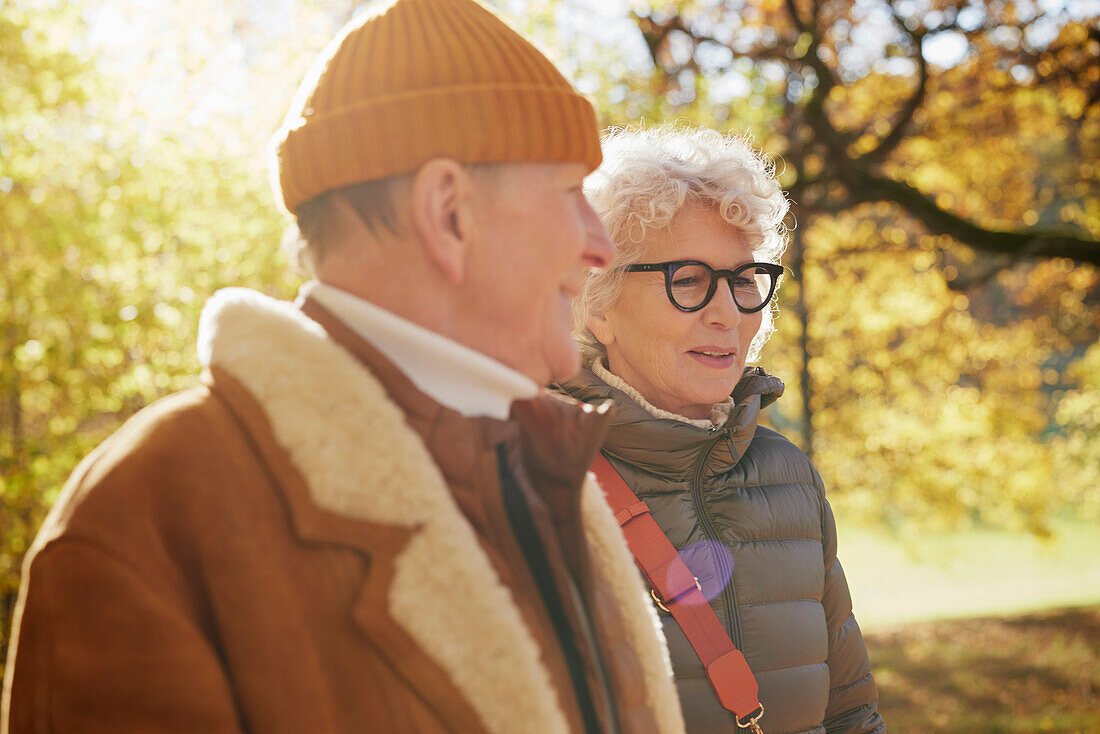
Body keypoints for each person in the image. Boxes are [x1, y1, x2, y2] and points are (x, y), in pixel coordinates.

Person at [1, 3, 687, 732]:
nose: (599, 246)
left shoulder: (542, 465)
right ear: (448, 212)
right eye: (568, 192)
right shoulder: (144, 517)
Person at [557, 125, 885, 734]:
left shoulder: (788, 475)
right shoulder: (537, 479)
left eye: (742, 281)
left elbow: (851, 713)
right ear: (596, 303)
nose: (727, 313)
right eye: (687, 280)